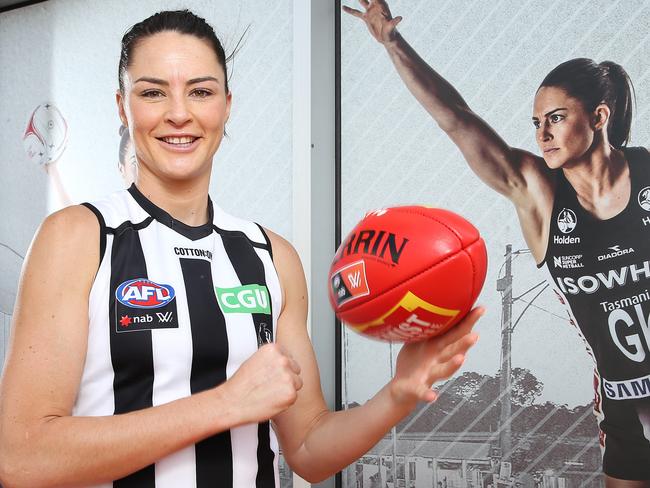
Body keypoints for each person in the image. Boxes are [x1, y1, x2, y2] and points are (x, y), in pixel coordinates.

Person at [0, 10, 482, 487]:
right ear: (123, 107)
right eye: (152, 92)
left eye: (201, 91)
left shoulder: (271, 256)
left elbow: (310, 450)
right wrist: (225, 403)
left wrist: (399, 393)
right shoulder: (79, 237)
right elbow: (21, 459)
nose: (179, 113)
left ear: (226, 105)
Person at [344, 1, 650, 486]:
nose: (543, 134)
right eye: (536, 123)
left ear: (599, 117)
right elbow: (458, 120)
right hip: (626, 404)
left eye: (555, 118)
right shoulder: (538, 194)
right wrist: (393, 44)